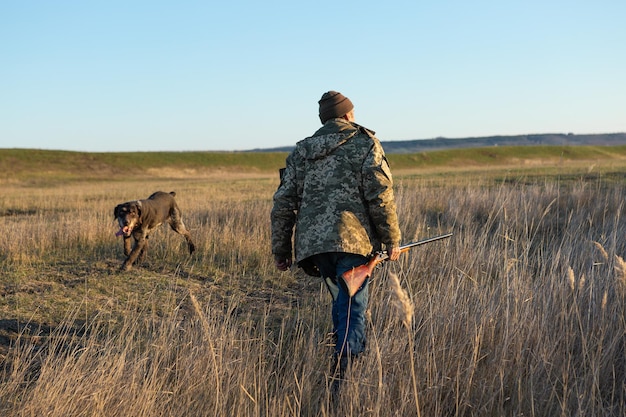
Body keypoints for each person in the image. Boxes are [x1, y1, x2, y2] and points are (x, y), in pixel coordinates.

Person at [271, 91, 402, 382]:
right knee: (353, 305)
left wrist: (281, 251)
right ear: (347, 115)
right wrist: (391, 240)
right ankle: (347, 373)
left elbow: (283, 203)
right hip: (353, 243)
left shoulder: (302, 151)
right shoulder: (364, 143)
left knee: (342, 301)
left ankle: (340, 363)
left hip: (315, 248)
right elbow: (381, 196)